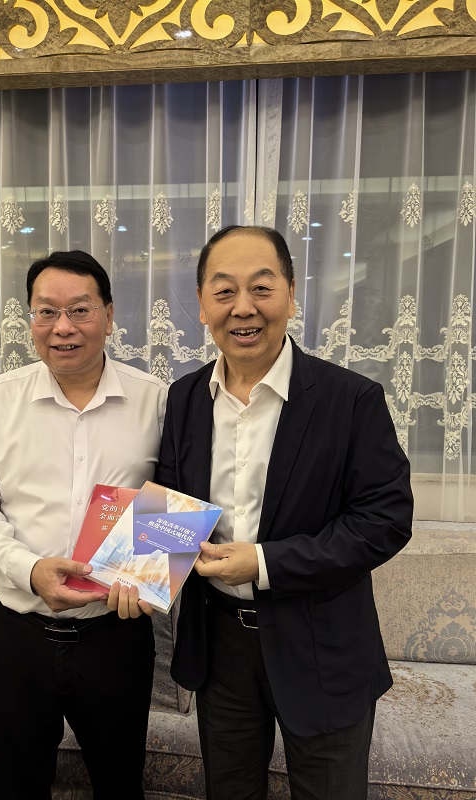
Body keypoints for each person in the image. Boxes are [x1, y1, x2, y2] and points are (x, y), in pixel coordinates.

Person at [155, 225, 413, 800]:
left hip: (322, 646)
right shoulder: (185, 397)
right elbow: (174, 501)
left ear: (292, 295)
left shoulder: (352, 399)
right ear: (202, 304)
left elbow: (385, 520)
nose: (243, 307)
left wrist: (264, 563)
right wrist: (129, 575)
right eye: (224, 291)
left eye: (262, 288)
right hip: (220, 645)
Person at [0, 250, 168, 800]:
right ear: (31, 320)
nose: (62, 327)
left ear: (109, 316)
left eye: (80, 310)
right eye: (46, 311)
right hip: (17, 636)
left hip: (115, 635)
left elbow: (174, 502)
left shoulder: (157, 402)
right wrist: (30, 569)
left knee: (121, 785)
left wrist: (148, 578)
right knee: (18, 786)